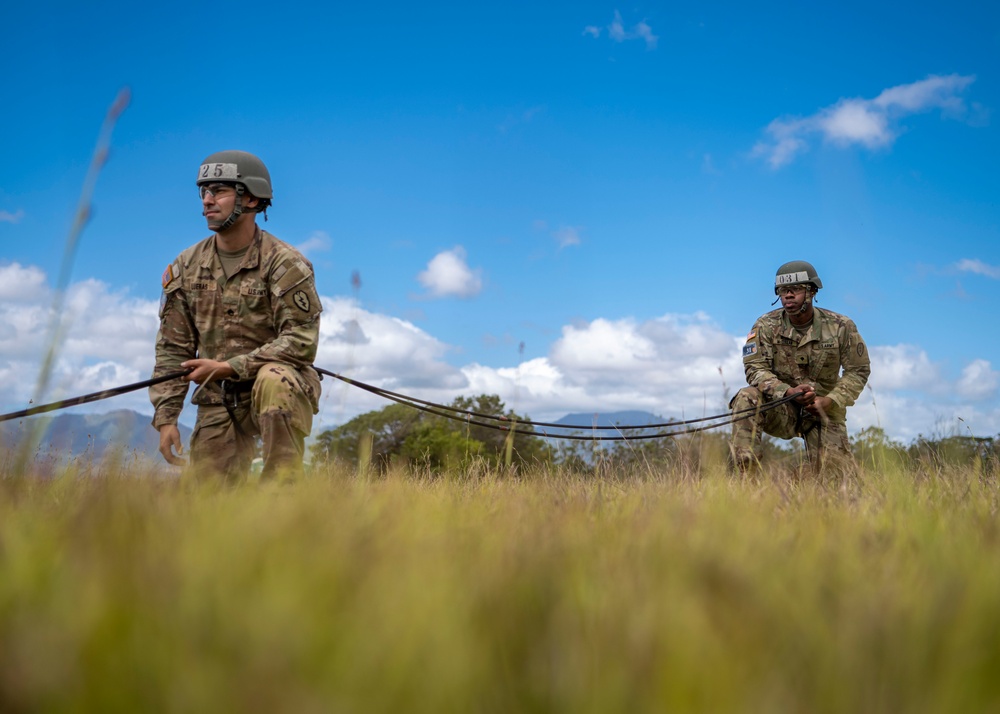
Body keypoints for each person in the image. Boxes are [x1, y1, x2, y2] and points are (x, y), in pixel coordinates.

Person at [149, 150, 322, 482]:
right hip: (218, 395)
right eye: (204, 191)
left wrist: (230, 366)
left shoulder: (285, 263)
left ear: (253, 199)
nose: (208, 200)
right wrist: (167, 418)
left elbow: (301, 342)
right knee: (209, 503)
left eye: (221, 191)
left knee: (274, 379)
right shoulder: (186, 266)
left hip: (278, 389)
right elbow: (173, 349)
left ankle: (282, 494)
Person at [730, 260, 870, 475]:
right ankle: (746, 478)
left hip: (824, 411)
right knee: (746, 397)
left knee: (838, 483)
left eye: (795, 290)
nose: (788, 295)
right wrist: (786, 392)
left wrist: (831, 401)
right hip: (782, 408)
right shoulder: (765, 326)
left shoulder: (841, 326)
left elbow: (857, 371)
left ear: (811, 291)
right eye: (783, 291)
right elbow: (755, 368)